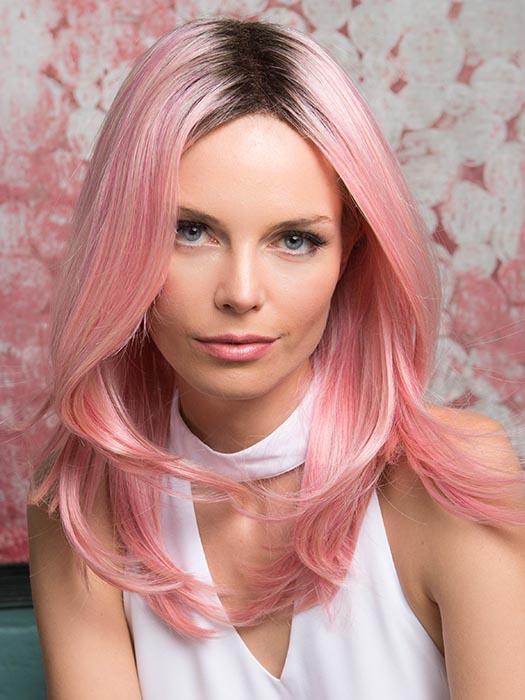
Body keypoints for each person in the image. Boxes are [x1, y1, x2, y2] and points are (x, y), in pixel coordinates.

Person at [21, 16, 525, 700]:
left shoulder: (451, 484)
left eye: (294, 240)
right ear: (123, 238)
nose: (240, 293)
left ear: (351, 249)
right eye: (190, 231)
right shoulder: (81, 503)